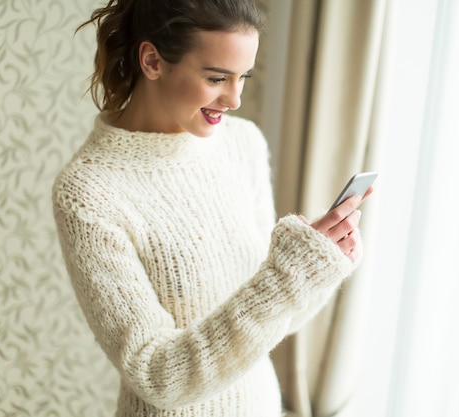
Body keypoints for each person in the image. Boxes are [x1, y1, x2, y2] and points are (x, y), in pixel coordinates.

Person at [52, 0, 371, 416]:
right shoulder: (89, 192)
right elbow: (157, 376)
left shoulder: (243, 144)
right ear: (152, 60)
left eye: (243, 78)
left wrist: (318, 266)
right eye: (217, 77)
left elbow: (273, 321)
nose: (235, 99)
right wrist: (288, 272)